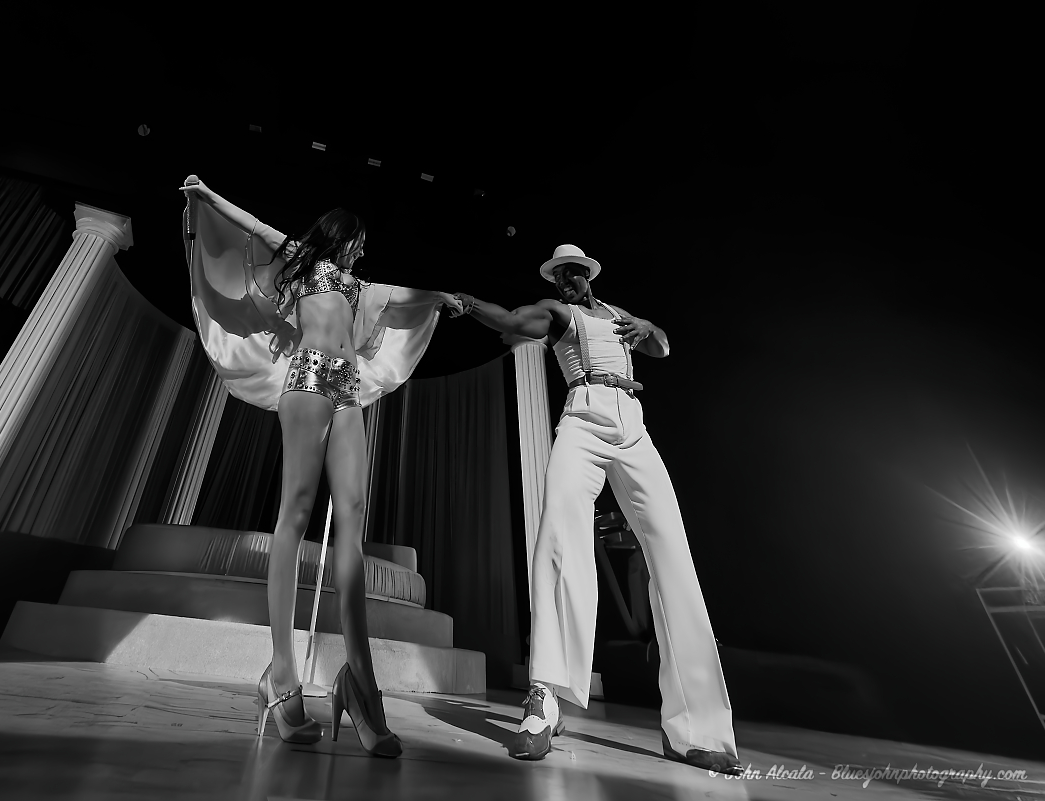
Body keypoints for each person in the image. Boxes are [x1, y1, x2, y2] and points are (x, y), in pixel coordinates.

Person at [180, 176, 462, 758]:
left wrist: (439, 297)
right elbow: (252, 226)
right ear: (342, 236)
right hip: (307, 380)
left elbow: (401, 294)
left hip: (349, 391)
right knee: (296, 512)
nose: (361, 251)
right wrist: (207, 196)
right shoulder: (301, 262)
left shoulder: (359, 288)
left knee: (354, 519)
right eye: (357, 241)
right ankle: (282, 674)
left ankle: (360, 680)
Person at [453, 244, 742, 774]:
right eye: (559, 274)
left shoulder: (619, 316)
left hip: (632, 423)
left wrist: (649, 324)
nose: (566, 280)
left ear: (588, 276)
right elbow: (514, 319)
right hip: (583, 417)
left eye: (574, 273)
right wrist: (469, 303)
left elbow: (663, 349)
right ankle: (544, 698)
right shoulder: (558, 312)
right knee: (558, 540)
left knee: (673, 557)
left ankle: (697, 728)